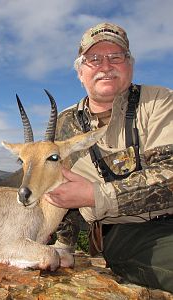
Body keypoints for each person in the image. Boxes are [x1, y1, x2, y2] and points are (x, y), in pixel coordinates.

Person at [45, 22, 173, 293]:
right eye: (94, 59)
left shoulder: (160, 101)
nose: (105, 65)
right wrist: (65, 244)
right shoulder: (65, 123)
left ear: (130, 65)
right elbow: (55, 184)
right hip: (127, 232)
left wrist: (95, 195)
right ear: (80, 72)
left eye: (116, 57)